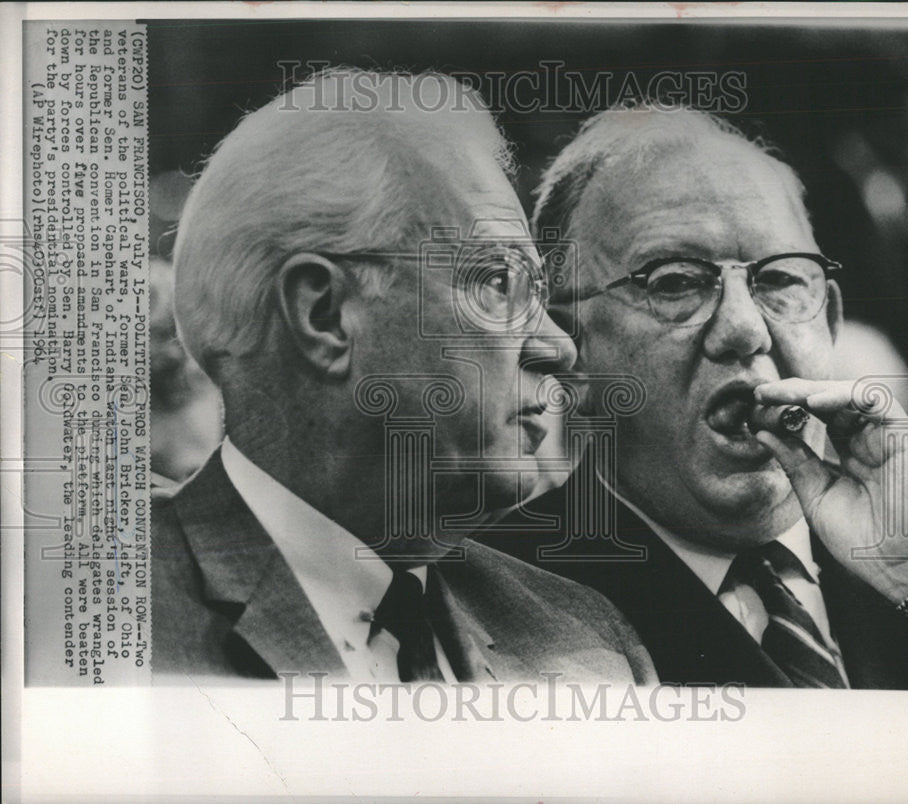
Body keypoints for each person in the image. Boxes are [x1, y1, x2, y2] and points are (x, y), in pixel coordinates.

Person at [152, 70, 654, 684]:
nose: (557, 346)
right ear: (326, 315)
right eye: (500, 282)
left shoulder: (589, 644)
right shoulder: (97, 609)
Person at [478, 106, 908, 689]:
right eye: (675, 282)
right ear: (571, 351)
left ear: (831, 320)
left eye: (780, 280)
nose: (745, 329)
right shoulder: (490, 589)